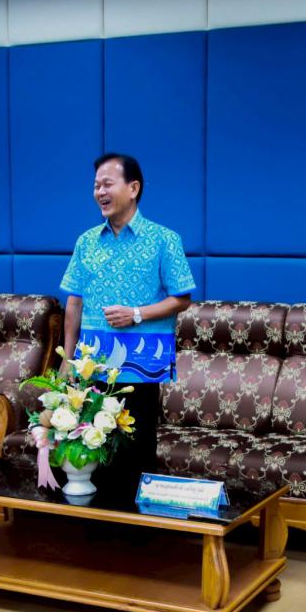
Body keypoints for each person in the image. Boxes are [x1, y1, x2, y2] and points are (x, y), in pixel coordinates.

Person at [60, 153, 195, 494]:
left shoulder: (165, 239)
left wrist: (136, 314)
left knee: (135, 454)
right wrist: (67, 358)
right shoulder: (86, 241)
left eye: (107, 184)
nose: (99, 192)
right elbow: (74, 302)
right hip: (91, 365)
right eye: (96, 186)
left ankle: (134, 523)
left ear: (133, 188)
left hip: (140, 368)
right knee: (90, 450)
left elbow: (182, 298)